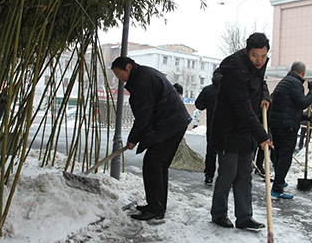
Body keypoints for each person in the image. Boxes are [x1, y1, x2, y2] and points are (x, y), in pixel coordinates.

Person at [111, 57, 191, 221]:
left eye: (121, 75)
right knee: (158, 166)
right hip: (172, 123)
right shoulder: (143, 75)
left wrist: (133, 138)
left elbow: (144, 115)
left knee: (153, 164)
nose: (121, 79)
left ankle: (156, 209)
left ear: (128, 67)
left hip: (170, 125)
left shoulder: (142, 81)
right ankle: (156, 205)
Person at [210, 32, 272, 230]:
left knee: (245, 175)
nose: (260, 60)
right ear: (247, 51)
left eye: (263, 56)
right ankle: (219, 213)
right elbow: (242, 108)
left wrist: (265, 96)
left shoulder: (256, 66)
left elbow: (261, 83)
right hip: (229, 129)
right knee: (228, 174)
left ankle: (244, 217)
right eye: (255, 55)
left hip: (246, 130)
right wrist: (262, 136)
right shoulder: (234, 69)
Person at [269, 62, 312, 199]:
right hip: (287, 127)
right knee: (285, 157)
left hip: (277, 124)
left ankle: (280, 181)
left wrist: (303, 117)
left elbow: (287, 108)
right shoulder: (295, 83)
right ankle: (277, 189)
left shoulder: (284, 82)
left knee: (278, 154)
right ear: (303, 73)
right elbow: (303, 102)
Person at [195, 69, 222, 186]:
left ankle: (209, 176)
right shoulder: (230, 90)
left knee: (211, 151)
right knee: (225, 152)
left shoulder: (208, 90)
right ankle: (225, 177)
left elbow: (199, 105)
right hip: (227, 126)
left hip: (212, 125)